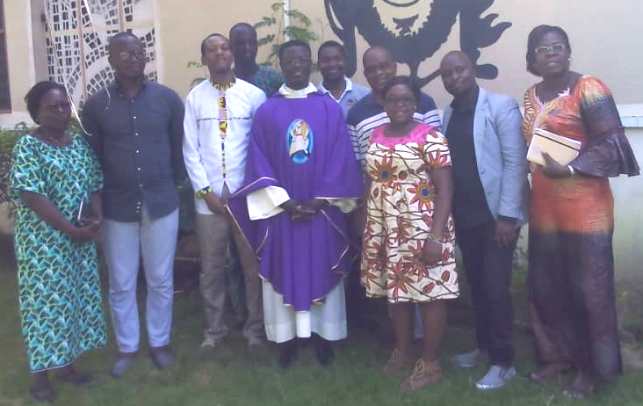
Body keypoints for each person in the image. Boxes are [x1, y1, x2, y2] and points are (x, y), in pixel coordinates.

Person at [228, 40, 362, 368]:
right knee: (284, 267)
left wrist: (318, 201)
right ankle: (286, 338)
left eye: (302, 60)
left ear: (310, 63)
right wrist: (285, 203)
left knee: (321, 265)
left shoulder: (329, 108)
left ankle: (323, 336)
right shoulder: (268, 111)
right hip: (282, 212)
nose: (297, 66)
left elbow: (341, 158)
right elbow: (259, 160)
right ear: (282, 65)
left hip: (322, 211)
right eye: (290, 61)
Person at [521, 25, 639, 399]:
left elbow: (614, 145)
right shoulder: (529, 96)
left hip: (586, 210)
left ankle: (592, 370)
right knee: (547, 286)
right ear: (532, 58)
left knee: (589, 290)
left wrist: (571, 168)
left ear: (568, 51)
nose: (551, 53)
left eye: (558, 47)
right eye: (542, 49)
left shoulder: (589, 88)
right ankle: (557, 357)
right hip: (545, 209)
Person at [82, 32, 185, 377]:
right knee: (122, 281)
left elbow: (178, 149)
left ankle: (159, 342)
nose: (134, 57)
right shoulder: (97, 106)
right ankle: (127, 346)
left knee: (160, 279)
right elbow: (93, 157)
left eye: (139, 51)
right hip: (117, 206)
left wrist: (171, 184)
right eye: (124, 53)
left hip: (161, 201)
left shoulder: (167, 99)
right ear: (110, 59)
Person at [10, 81, 106, 402]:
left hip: (79, 240)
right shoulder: (28, 147)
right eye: (53, 107)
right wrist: (70, 229)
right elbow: (32, 196)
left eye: (65, 105)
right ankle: (39, 379)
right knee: (44, 309)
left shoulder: (77, 143)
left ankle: (67, 367)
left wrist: (96, 216)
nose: (61, 111)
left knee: (73, 303)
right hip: (43, 246)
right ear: (36, 112)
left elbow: (94, 182)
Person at [361, 76, 457, 392]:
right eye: (393, 99)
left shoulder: (431, 138)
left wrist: (436, 236)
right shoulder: (376, 135)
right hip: (386, 227)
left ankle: (430, 363)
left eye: (406, 99)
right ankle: (403, 352)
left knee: (430, 294)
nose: (399, 105)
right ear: (384, 103)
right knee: (397, 293)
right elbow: (370, 180)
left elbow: (445, 189)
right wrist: (369, 225)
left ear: (416, 103)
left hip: (423, 227)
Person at [440, 51, 529, 390]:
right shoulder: (449, 114)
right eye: (447, 74)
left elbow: (515, 162)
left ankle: (504, 362)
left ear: (472, 70)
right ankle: (484, 347)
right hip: (466, 217)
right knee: (477, 286)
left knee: (495, 288)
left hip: (496, 218)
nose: (454, 78)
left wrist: (507, 216)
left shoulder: (500, 106)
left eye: (459, 70)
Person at [183, 33, 266, 350]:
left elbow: (262, 146)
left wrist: (250, 188)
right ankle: (215, 330)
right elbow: (190, 149)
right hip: (209, 199)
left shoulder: (254, 96)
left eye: (224, 48)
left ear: (232, 54)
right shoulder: (195, 98)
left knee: (252, 266)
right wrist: (205, 193)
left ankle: (255, 328)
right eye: (212, 49)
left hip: (246, 196)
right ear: (204, 58)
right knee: (212, 268)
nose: (220, 53)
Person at [347, 46, 441, 168]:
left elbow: (437, 154)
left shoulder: (424, 102)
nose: (379, 73)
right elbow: (357, 163)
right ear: (365, 74)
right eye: (372, 70)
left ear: (394, 67)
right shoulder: (355, 114)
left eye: (384, 66)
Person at [317, 40, 369, 117]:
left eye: (337, 59)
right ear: (318, 65)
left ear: (345, 61)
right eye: (326, 60)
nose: (332, 64)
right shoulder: (311, 98)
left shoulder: (365, 95)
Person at [229, 22, 283, 96]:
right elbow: (221, 102)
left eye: (251, 43)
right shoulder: (225, 81)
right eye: (241, 43)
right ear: (231, 47)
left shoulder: (273, 77)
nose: (247, 48)